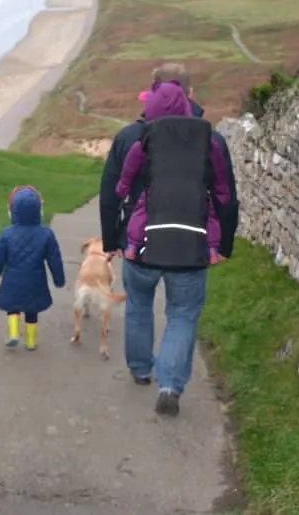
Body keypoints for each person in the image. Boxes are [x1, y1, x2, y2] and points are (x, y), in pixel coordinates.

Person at [115, 81, 232, 416]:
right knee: (182, 315)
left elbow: (124, 181)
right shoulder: (208, 142)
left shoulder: (145, 139)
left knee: (138, 304)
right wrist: (219, 212)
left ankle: (140, 369)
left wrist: (125, 193)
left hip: (144, 242)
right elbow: (223, 189)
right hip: (191, 244)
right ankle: (169, 385)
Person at [99, 62, 239, 260]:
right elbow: (226, 198)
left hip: (138, 241)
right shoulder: (212, 140)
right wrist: (223, 247)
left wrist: (111, 241)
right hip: (192, 243)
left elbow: (110, 194)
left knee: (137, 291)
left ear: (153, 92)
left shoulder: (128, 137)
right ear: (189, 93)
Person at [0, 185, 66, 351]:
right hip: (35, 280)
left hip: (12, 279)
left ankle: (13, 334)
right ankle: (31, 341)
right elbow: (55, 258)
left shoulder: (6, 234)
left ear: (13, 211)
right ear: (39, 210)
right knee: (32, 311)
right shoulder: (46, 234)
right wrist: (58, 279)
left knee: (12, 307)